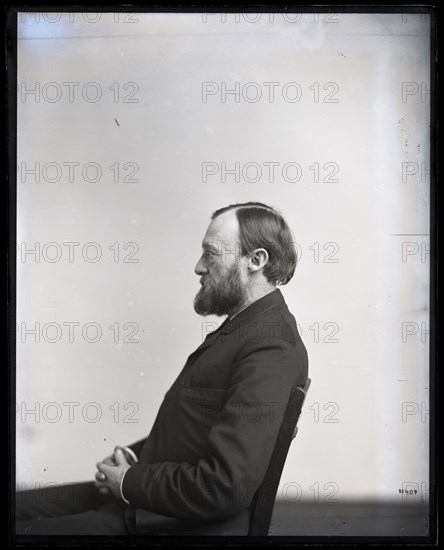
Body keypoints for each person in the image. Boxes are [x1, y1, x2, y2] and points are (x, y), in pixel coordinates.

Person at [16, 201, 309, 535]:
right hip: (152, 500)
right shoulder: (246, 329)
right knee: (16, 506)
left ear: (256, 260)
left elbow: (224, 486)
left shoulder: (271, 347)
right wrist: (133, 457)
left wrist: (129, 481)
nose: (199, 267)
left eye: (210, 253)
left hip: (167, 522)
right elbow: (195, 430)